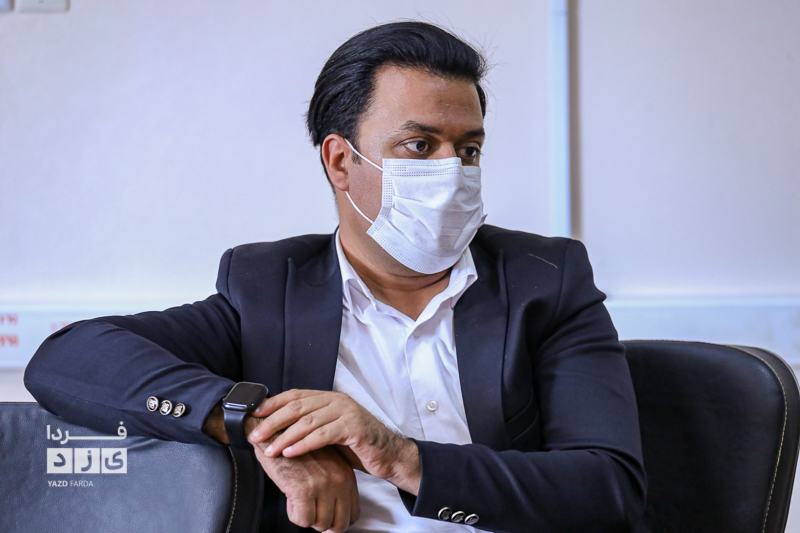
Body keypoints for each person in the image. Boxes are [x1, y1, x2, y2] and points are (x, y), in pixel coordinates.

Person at [24, 20, 646, 533]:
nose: (454, 171)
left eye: (469, 149)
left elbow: (609, 489)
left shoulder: (545, 280)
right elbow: (69, 358)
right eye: (420, 145)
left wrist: (399, 456)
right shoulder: (267, 288)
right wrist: (261, 426)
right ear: (341, 162)